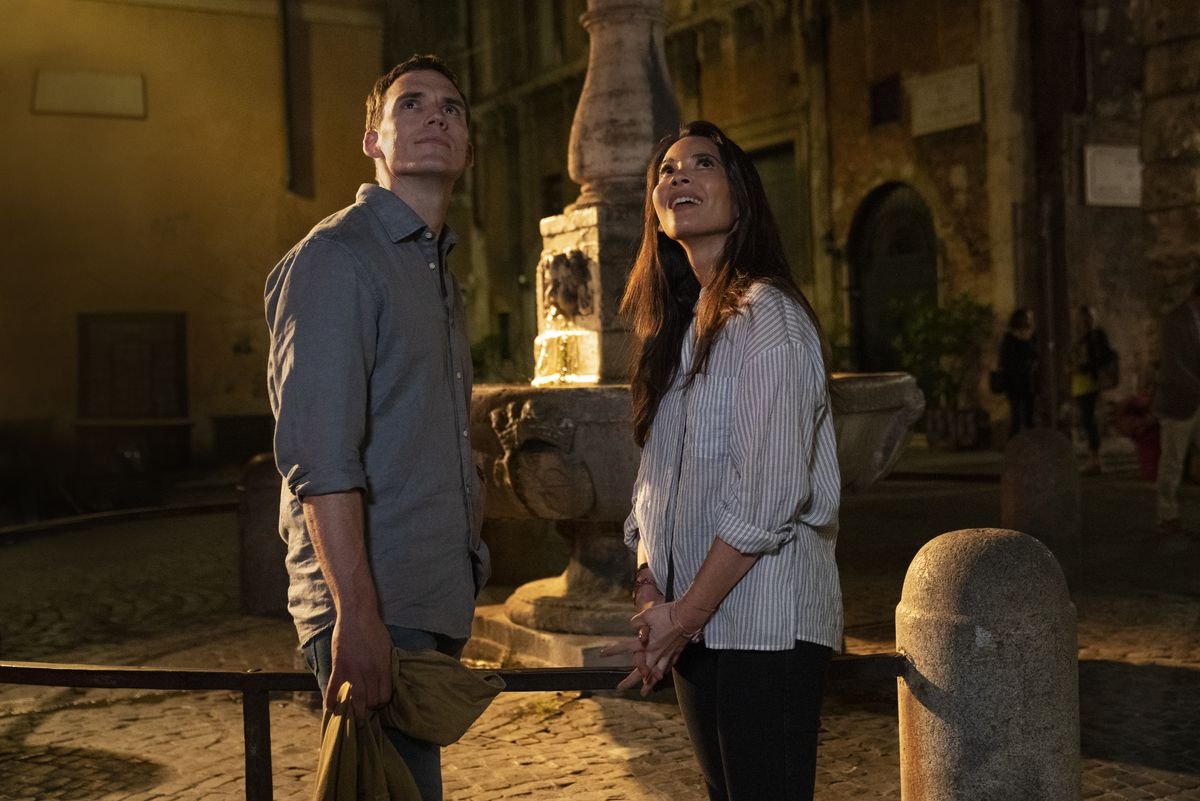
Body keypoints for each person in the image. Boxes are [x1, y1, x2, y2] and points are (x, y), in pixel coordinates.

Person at [264, 54, 488, 801]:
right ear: (373, 140)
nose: (435, 116)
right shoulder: (338, 258)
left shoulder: (434, 267)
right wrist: (357, 616)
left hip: (424, 601)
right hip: (374, 609)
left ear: (467, 144)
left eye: (451, 109)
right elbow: (321, 459)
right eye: (411, 105)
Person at [606, 121, 842, 801]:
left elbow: (767, 497)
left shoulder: (767, 315)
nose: (677, 175)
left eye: (701, 164)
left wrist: (679, 618)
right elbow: (654, 483)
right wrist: (651, 589)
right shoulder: (682, 327)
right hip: (697, 622)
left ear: (741, 196)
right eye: (666, 169)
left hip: (765, 623)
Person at [1152, 281, 1200, 536]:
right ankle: (1167, 514)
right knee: (1173, 461)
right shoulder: (1175, 320)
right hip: (1178, 402)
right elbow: (1173, 365)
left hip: (1196, 399)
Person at [1071, 305, 1115, 475]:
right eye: (1083, 317)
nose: (1085, 321)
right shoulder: (1081, 337)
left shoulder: (1097, 336)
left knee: (1089, 420)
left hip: (1090, 382)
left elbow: (1105, 357)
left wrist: (1085, 367)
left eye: (1089, 317)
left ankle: (1095, 460)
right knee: (1086, 420)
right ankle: (1093, 459)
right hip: (1079, 383)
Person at [998, 307, 1038, 435]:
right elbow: (1005, 360)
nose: (1029, 321)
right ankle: (1013, 446)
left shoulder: (1031, 336)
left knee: (1029, 416)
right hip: (1013, 382)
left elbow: (1036, 356)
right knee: (1016, 416)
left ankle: (1030, 446)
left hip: (1027, 381)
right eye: (1027, 318)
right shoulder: (1009, 338)